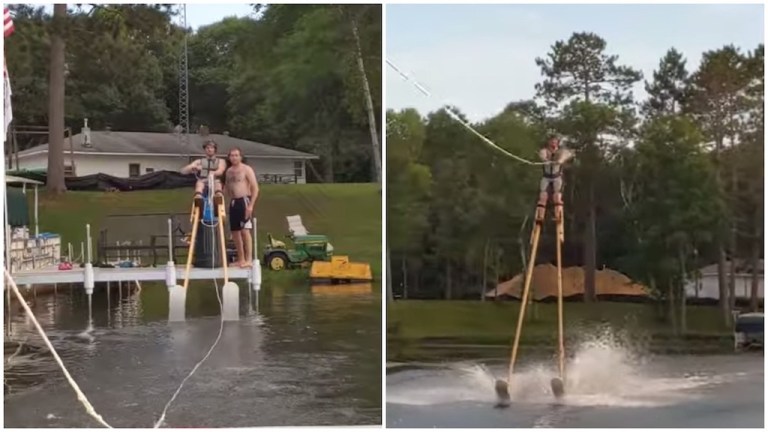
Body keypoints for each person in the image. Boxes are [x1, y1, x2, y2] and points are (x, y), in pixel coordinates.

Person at [224, 147, 260, 268]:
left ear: (240, 157)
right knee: (235, 232)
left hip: (244, 200)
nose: (234, 157)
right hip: (234, 202)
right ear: (229, 157)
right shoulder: (228, 171)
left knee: (245, 231)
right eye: (232, 155)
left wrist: (251, 205)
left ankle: (249, 259)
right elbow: (227, 189)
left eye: (236, 155)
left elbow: (255, 188)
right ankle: (241, 259)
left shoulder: (246, 169)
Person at [180, 139, 227, 208]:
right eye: (207, 148)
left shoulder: (221, 161)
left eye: (211, 148)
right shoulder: (199, 161)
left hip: (214, 181)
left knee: (218, 183)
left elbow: (220, 171)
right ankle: (198, 197)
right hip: (203, 181)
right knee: (199, 183)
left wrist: (210, 172)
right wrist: (192, 167)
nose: (209, 150)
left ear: (215, 149)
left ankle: (218, 196)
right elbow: (183, 171)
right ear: (205, 149)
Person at [537, 134, 573, 220]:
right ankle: (540, 216)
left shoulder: (561, 152)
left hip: (557, 177)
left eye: (555, 141)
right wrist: (545, 160)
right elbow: (541, 155)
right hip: (546, 177)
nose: (553, 143)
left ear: (557, 143)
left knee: (557, 197)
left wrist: (561, 160)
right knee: (543, 196)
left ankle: (557, 216)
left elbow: (567, 154)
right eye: (551, 141)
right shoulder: (545, 151)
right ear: (549, 142)